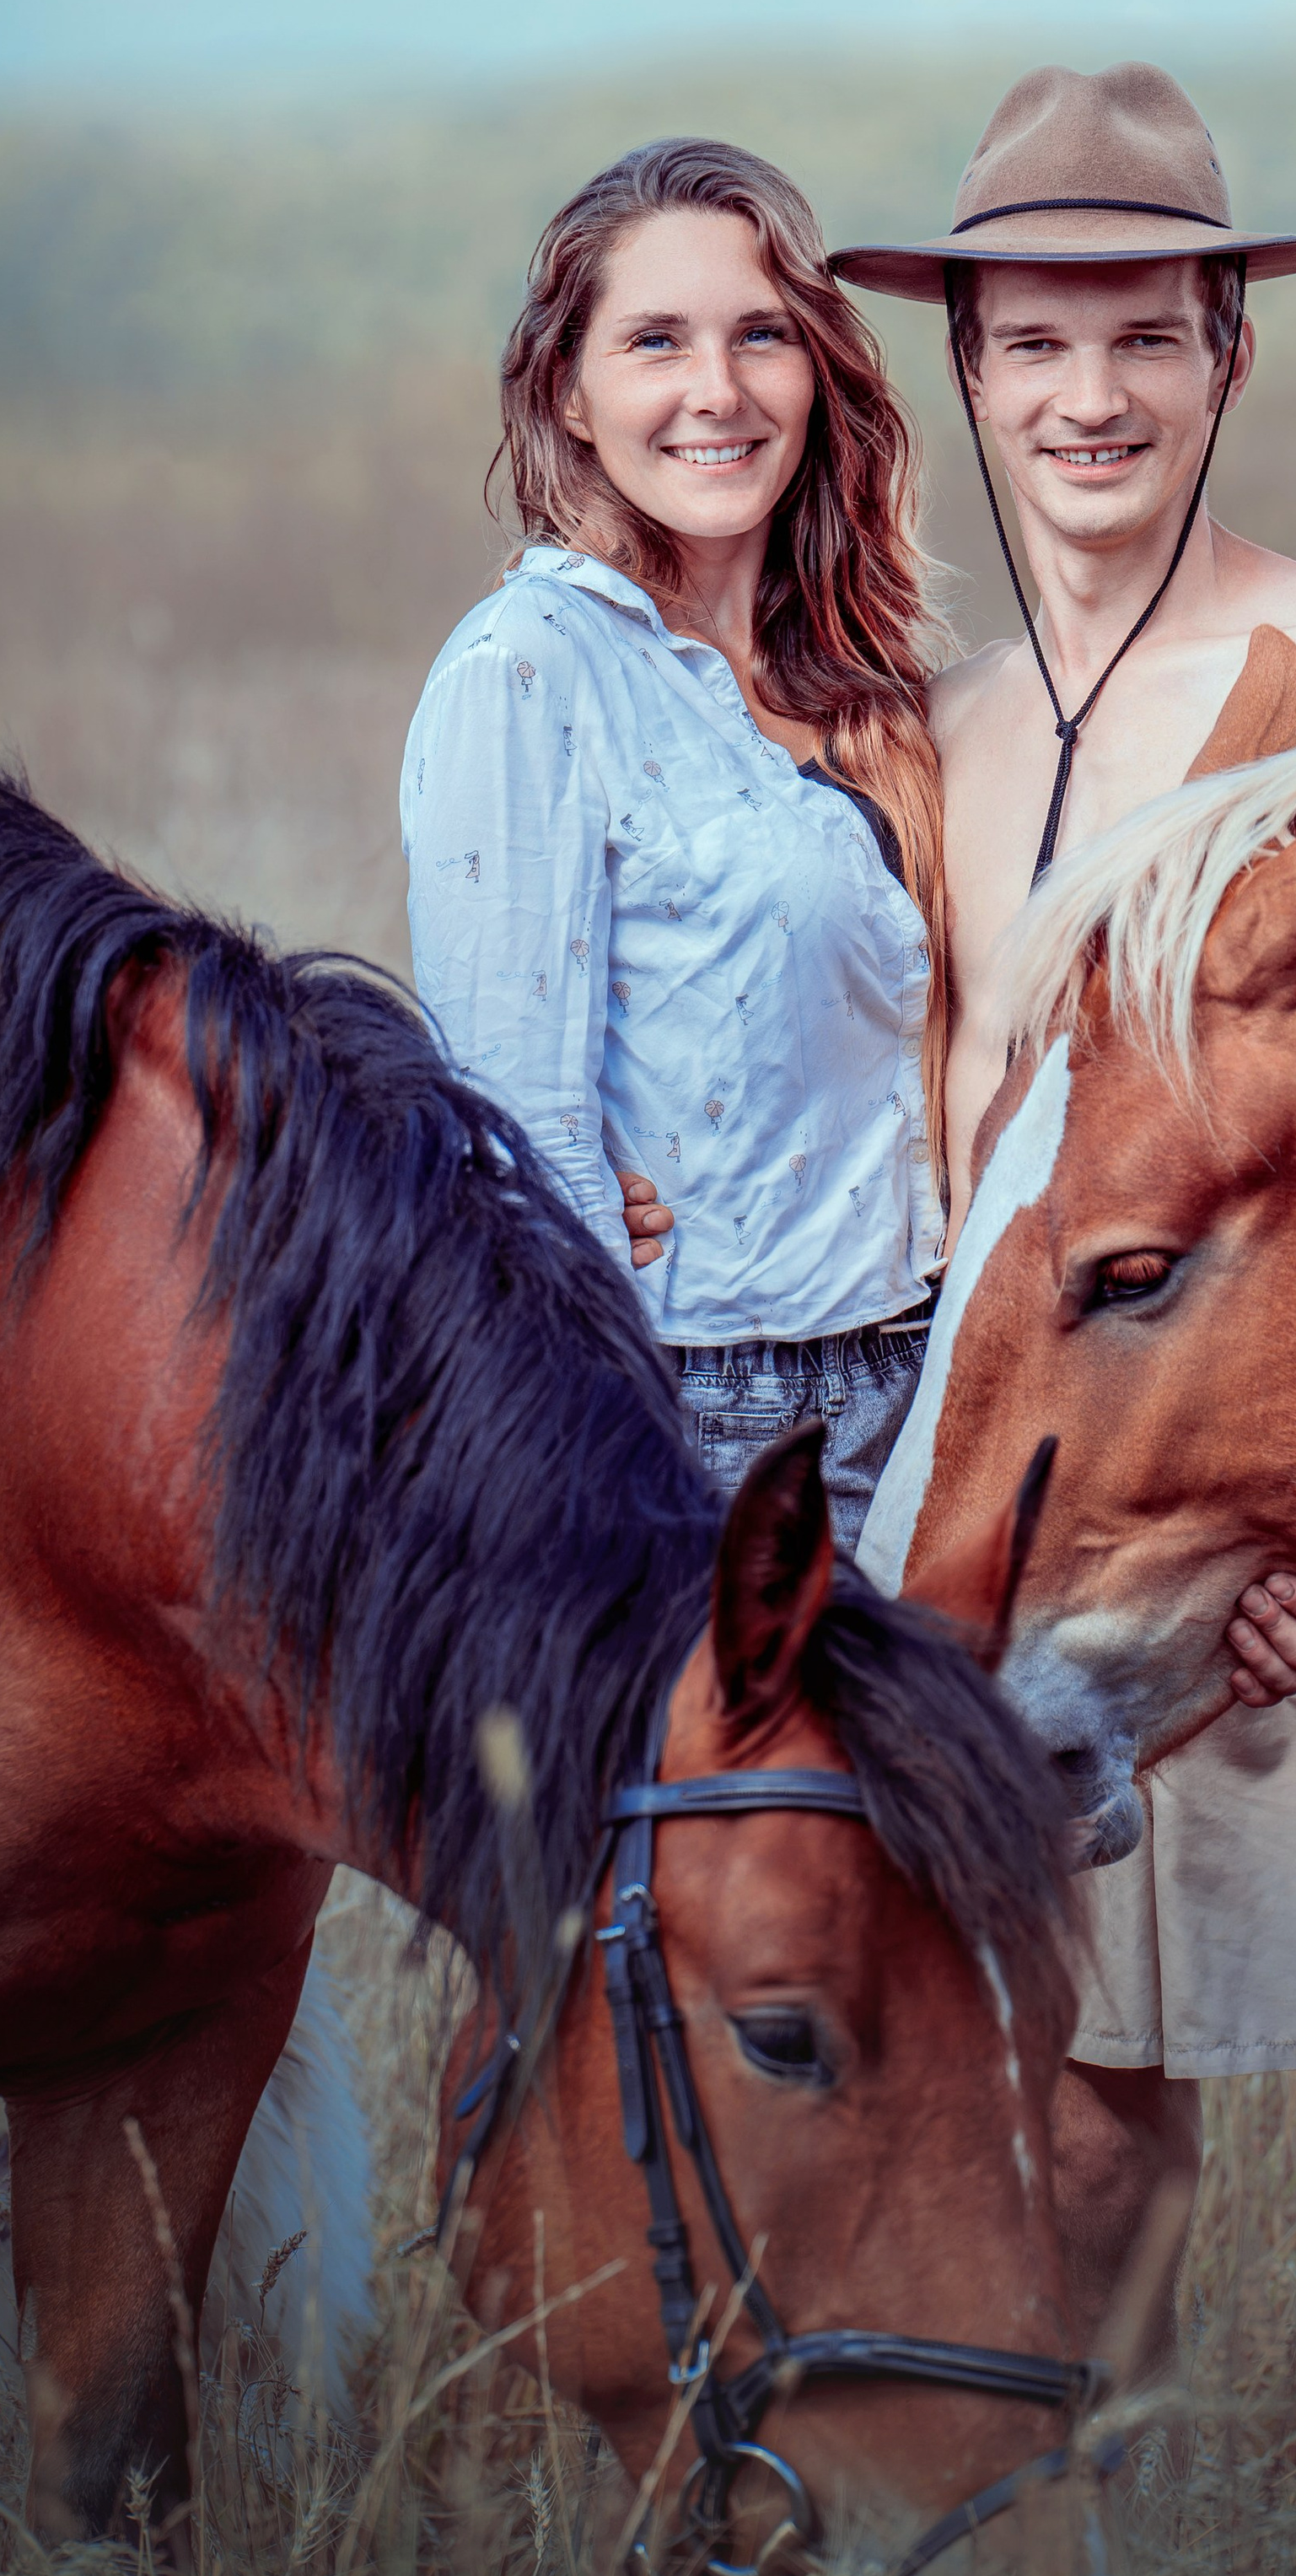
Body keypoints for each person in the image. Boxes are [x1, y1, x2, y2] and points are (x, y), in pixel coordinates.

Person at [834, 63, 1296, 2456]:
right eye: (1037, 344)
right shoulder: (940, 734)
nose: (1089, 396)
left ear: (1226, 354)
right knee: (1083, 2139)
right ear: (964, 363)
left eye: (1143, 338)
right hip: (1050, 1540)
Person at [402, 137, 948, 1547]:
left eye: (761, 334)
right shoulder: (529, 667)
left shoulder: (860, 675)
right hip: (706, 1416)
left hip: (934, 1372)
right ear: (568, 395)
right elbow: (520, 1134)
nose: (718, 391)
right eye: (656, 342)